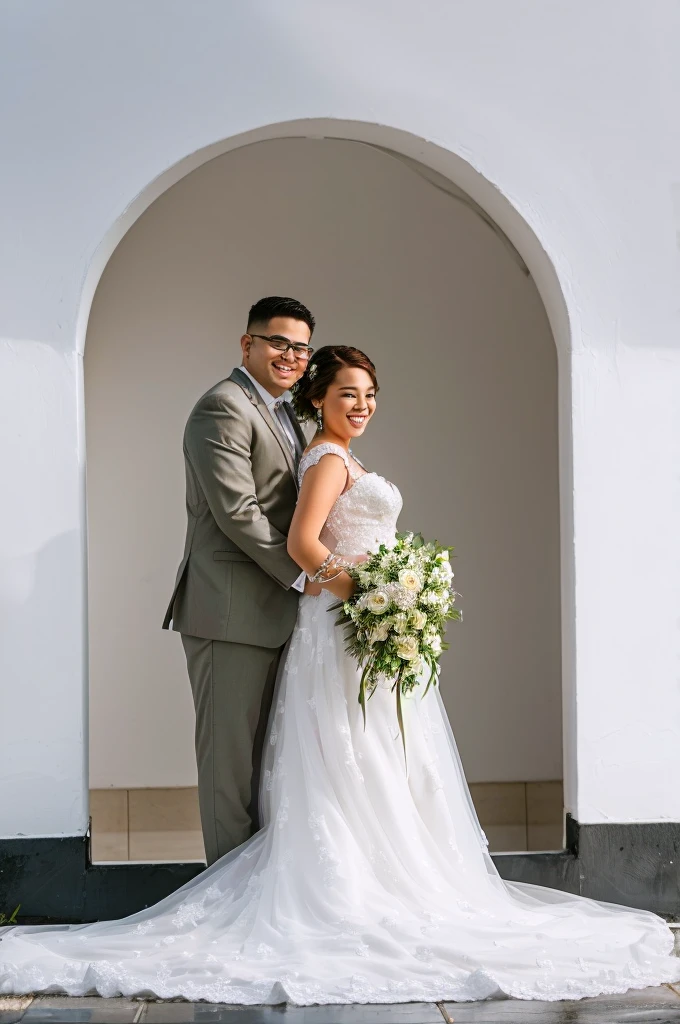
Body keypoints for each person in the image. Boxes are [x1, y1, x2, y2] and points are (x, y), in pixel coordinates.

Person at [1, 346, 680, 1006]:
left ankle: (391, 877)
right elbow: (303, 544)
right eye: (347, 393)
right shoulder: (325, 457)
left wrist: (398, 594)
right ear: (319, 399)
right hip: (343, 627)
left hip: (361, 628)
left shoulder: (341, 455)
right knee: (347, 754)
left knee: (378, 755)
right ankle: (359, 889)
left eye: (370, 393)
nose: (362, 404)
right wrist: (374, 590)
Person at [161, 296, 317, 864]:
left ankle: (255, 896)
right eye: (278, 342)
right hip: (228, 614)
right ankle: (226, 901)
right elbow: (237, 512)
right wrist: (307, 575)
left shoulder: (284, 414)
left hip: (274, 613)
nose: (290, 355)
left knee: (265, 767)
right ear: (247, 344)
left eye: (299, 348)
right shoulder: (223, 406)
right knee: (229, 771)